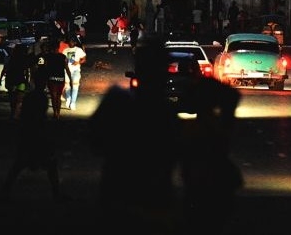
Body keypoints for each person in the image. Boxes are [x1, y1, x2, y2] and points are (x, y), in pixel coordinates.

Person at [90, 41, 183, 228]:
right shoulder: (165, 112)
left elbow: (94, 141)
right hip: (149, 198)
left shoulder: (118, 101)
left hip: (123, 195)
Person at [181, 76, 242, 232]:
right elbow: (233, 97)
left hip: (201, 186)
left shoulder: (193, 128)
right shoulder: (218, 125)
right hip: (216, 185)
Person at [0, 88, 67, 203]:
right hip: (37, 139)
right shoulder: (39, 107)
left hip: (28, 138)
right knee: (50, 165)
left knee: (18, 166)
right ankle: (56, 193)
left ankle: (5, 191)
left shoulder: (29, 107)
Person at [32, 39, 68, 118]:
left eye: (47, 48)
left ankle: (56, 112)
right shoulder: (43, 56)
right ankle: (55, 112)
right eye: (45, 48)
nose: (46, 49)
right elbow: (38, 66)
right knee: (54, 96)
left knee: (54, 96)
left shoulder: (48, 56)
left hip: (49, 77)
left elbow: (41, 66)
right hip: (45, 76)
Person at [2, 43, 32, 120]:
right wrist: (27, 80)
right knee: (19, 99)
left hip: (11, 80)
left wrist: (1, 78)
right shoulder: (24, 59)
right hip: (21, 80)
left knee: (12, 98)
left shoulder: (10, 58)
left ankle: (13, 113)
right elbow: (27, 71)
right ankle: (16, 113)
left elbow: (5, 69)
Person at [62, 37, 87, 111]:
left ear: (75, 42)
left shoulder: (78, 50)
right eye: (69, 41)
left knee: (75, 86)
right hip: (67, 70)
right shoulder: (65, 50)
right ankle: (68, 98)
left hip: (76, 71)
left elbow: (84, 59)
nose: (70, 43)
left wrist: (78, 62)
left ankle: (73, 103)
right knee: (67, 86)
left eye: (72, 42)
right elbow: (63, 61)